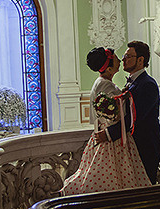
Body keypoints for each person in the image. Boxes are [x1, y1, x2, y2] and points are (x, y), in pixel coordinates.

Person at [61, 47, 152, 195]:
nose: (121, 60)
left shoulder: (105, 83)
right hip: (111, 140)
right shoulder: (104, 84)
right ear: (109, 68)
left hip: (113, 135)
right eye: (117, 58)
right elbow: (114, 115)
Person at [96, 41, 160, 184]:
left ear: (140, 60)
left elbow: (135, 118)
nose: (123, 60)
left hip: (146, 146)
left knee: (145, 190)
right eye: (124, 56)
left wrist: (108, 134)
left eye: (128, 56)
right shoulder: (133, 82)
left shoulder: (147, 84)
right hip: (135, 146)